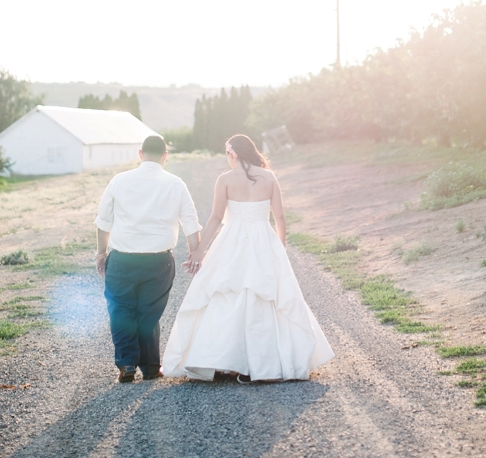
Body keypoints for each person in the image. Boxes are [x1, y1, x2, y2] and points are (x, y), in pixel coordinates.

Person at [162, 133, 334, 383]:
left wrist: (199, 251)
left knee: (225, 293)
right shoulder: (269, 177)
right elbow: (280, 217)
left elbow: (216, 218)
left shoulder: (225, 179)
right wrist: (280, 247)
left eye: (227, 153)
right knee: (265, 295)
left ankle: (222, 360)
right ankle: (265, 363)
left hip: (231, 239)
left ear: (233, 153)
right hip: (264, 239)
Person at [95, 134, 201, 383]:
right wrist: (195, 254)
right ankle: (151, 368)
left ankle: (127, 363)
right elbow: (190, 223)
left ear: (140, 154)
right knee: (149, 313)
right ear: (165, 156)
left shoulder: (119, 180)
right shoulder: (175, 184)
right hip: (159, 262)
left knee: (120, 310)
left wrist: (101, 254)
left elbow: (103, 222)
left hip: (122, 260)